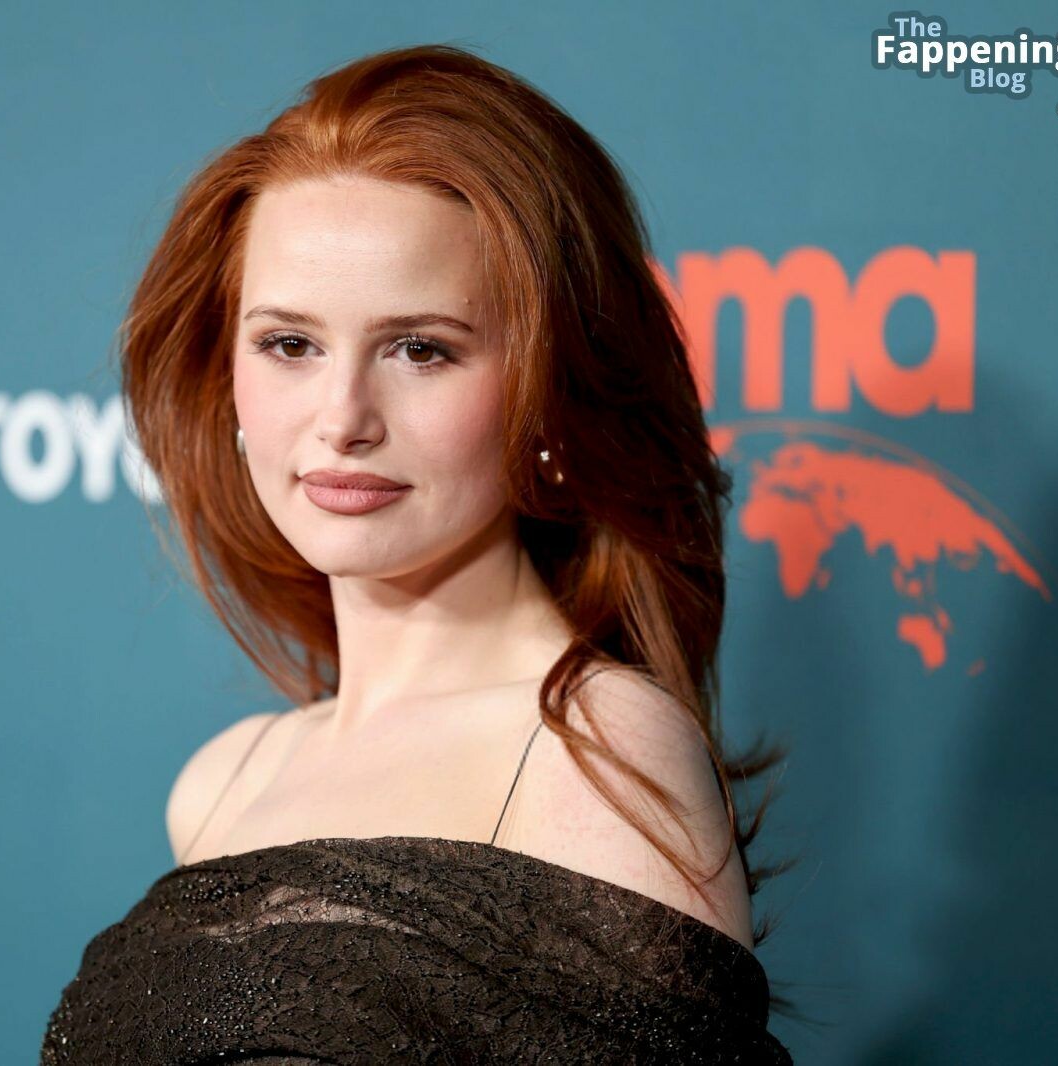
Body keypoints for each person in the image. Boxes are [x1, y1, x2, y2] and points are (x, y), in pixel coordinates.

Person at [43, 42, 797, 1063]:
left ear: (547, 388)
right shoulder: (220, 783)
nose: (342, 418)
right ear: (227, 378)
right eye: (290, 345)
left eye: (420, 349)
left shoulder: (601, 751)